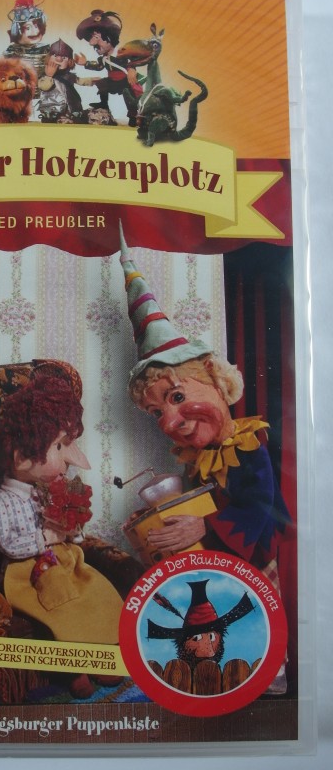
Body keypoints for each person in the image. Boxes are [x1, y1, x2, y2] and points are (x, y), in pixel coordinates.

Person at [118, 227, 291, 576]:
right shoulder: (197, 461)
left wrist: (205, 526)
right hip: (214, 566)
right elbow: (194, 500)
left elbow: (259, 507)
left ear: (213, 377)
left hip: (255, 568)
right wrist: (155, 516)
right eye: (156, 413)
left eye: (177, 397)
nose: (169, 422)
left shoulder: (249, 447)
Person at [0, 371, 124, 698]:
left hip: (62, 561)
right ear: (22, 457)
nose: (66, 458)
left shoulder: (45, 490)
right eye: (58, 446)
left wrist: (72, 528)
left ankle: (101, 653)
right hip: (27, 570)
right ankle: (73, 669)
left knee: (96, 593)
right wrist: (47, 537)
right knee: (61, 610)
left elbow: (67, 527)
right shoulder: (2, 502)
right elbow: (9, 543)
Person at [74, 9, 142, 125]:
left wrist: (132, 69)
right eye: (95, 47)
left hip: (125, 81)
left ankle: (133, 115)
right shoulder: (104, 58)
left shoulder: (121, 53)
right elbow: (99, 66)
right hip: (113, 81)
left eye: (99, 44)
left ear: (110, 38)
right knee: (102, 84)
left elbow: (131, 60)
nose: (96, 48)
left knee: (129, 96)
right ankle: (104, 104)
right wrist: (85, 63)